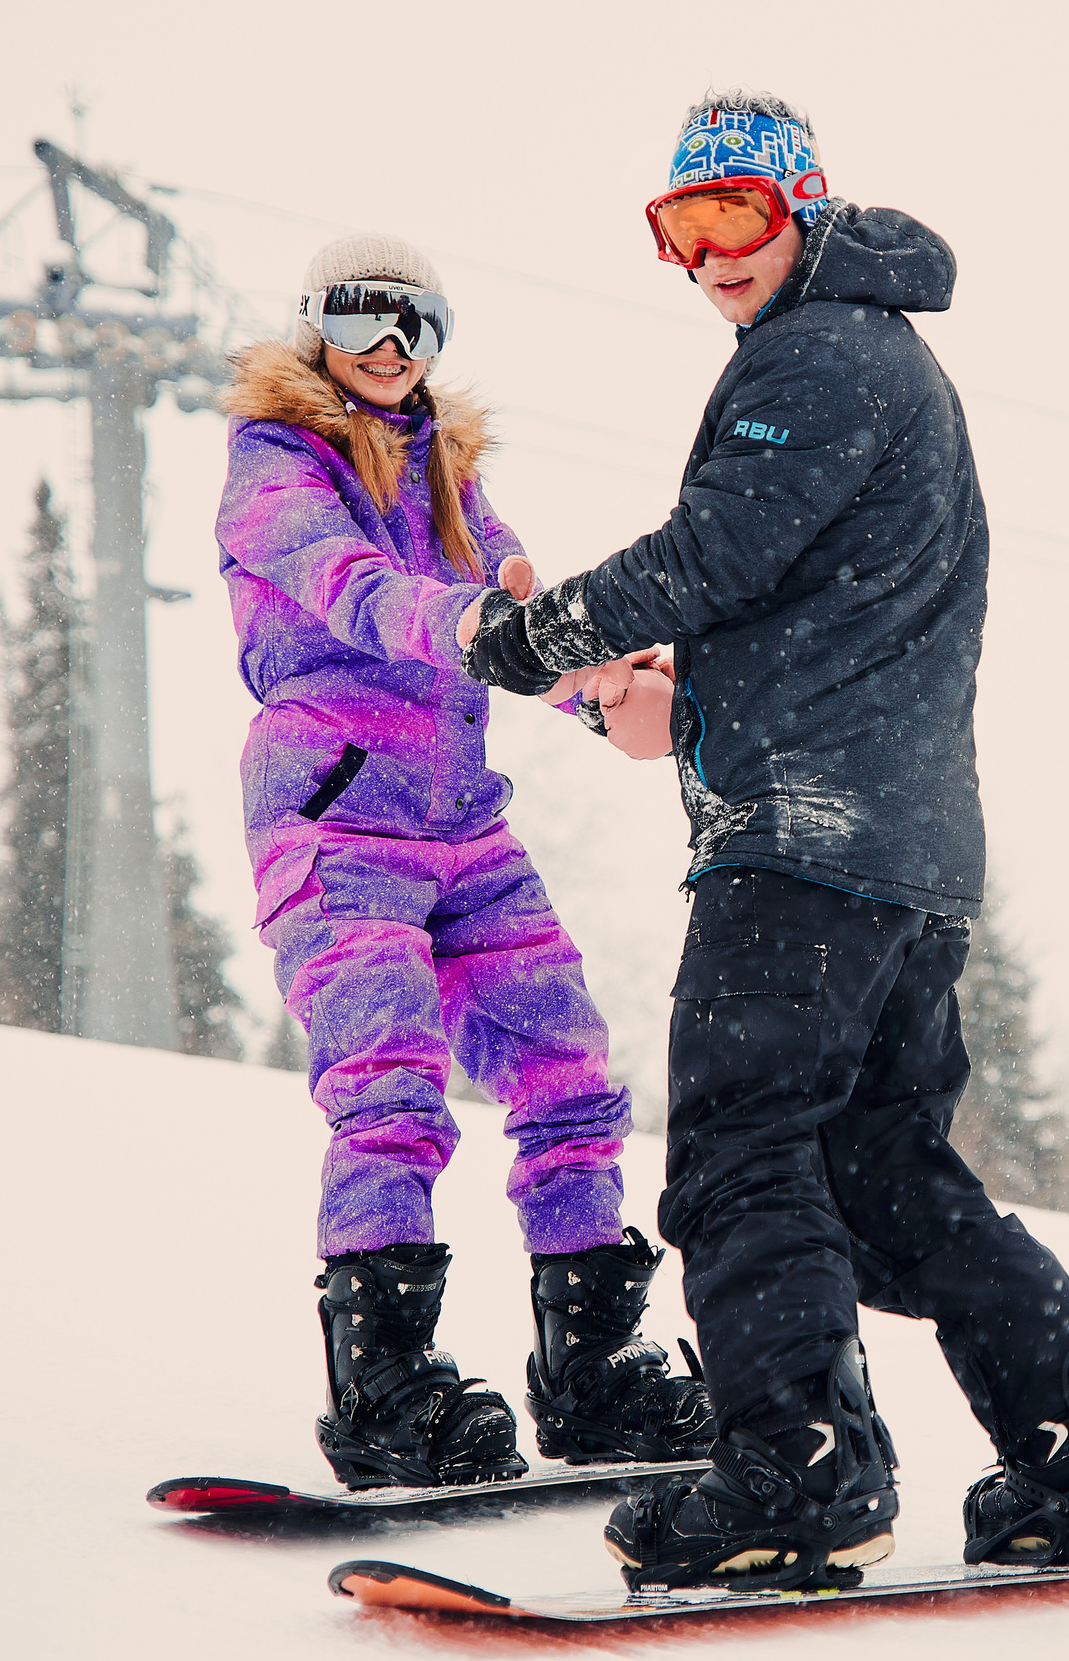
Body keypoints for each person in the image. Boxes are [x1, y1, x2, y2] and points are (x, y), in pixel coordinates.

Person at [463, 93, 1069, 1588]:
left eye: (735, 216)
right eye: (679, 227)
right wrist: (649, 701)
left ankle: (800, 1468)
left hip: (804, 844)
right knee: (877, 1168)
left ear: (804, 207)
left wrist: (539, 636)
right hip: (898, 845)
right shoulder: (876, 354)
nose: (710, 254)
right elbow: (794, 605)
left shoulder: (819, 351)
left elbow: (711, 553)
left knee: (737, 1153)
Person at [213, 233, 704, 1489]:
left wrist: (602, 687)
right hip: (336, 819)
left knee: (566, 1069)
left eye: (414, 328)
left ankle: (590, 1370)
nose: (387, 350)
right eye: (359, 320)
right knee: (388, 1084)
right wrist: (479, 623)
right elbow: (355, 589)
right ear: (314, 329)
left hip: (462, 824)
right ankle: (384, 1385)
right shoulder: (275, 466)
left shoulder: (449, 472)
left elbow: (513, 615)